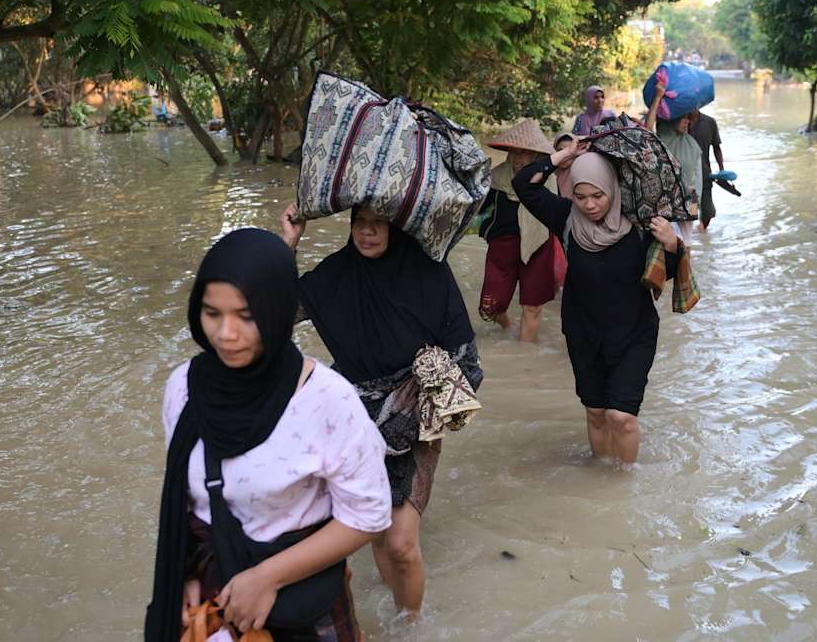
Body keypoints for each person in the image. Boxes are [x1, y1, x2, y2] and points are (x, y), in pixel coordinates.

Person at [146, 228, 391, 642]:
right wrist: (185, 573)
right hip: (211, 595)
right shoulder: (183, 388)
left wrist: (267, 578)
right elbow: (183, 497)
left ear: (278, 312)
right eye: (212, 313)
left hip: (303, 600)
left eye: (246, 316)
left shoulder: (328, 400)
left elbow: (369, 514)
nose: (226, 334)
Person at [279, 204, 483, 620]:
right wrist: (288, 244)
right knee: (376, 532)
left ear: (396, 227)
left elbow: (466, 359)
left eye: (378, 224)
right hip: (354, 415)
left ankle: (413, 625)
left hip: (414, 413)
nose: (366, 232)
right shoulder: (336, 274)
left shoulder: (429, 273)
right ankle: (396, 614)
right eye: (359, 223)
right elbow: (275, 316)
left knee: (402, 544)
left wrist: (430, 389)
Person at [512, 142, 682, 464]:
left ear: (612, 189)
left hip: (634, 334)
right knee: (596, 413)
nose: (589, 205)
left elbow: (668, 273)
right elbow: (523, 184)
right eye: (580, 196)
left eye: (598, 195)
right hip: (584, 333)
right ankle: (602, 474)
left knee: (621, 416)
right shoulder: (565, 218)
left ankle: (624, 482)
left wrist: (672, 245)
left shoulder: (639, 223)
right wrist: (564, 156)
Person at [477, 120, 562, 342]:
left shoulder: (549, 183)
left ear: (536, 156)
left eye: (525, 153)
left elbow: (562, 216)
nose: (518, 159)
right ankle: (509, 327)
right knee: (490, 307)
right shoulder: (495, 179)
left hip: (538, 246)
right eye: (515, 152)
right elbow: (476, 210)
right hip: (502, 247)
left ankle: (526, 356)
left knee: (532, 307)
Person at [645, 80, 703, 240]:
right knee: (667, 243)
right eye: (683, 118)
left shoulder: (691, 144)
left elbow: (697, 180)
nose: (687, 122)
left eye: (688, 118)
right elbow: (646, 131)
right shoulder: (660, 141)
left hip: (689, 200)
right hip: (663, 203)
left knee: (686, 243)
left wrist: (696, 206)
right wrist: (658, 97)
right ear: (673, 119)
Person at [688, 110, 725, 231]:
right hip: (688, 178)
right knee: (691, 211)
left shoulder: (709, 122)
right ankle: (691, 234)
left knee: (708, 211)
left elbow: (716, 147)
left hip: (705, 175)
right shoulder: (681, 122)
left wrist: (721, 170)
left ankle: (701, 230)